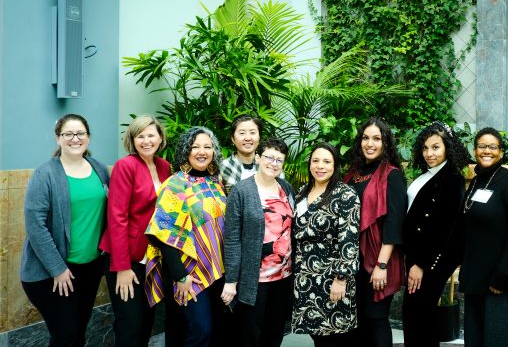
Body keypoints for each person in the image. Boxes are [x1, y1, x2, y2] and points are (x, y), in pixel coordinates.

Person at [20, 114, 110, 346]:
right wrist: (58, 269)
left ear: (88, 137)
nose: (75, 138)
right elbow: (35, 226)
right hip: (52, 271)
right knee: (66, 334)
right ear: (58, 138)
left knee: (77, 332)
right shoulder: (45, 174)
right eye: (68, 134)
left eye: (80, 133)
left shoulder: (99, 169)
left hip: (90, 268)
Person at [144, 126, 227, 347]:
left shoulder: (216, 182)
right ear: (186, 151)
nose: (202, 151)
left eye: (207, 147)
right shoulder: (175, 184)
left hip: (217, 270)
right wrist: (180, 276)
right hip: (189, 273)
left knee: (216, 331)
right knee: (200, 331)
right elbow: (164, 235)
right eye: (195, 147)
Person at [99, 116, 171, 347]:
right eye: (140, 136)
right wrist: (122, 267)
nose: (146, 141)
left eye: (151, 135)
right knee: (130, 324)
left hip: (152, 257)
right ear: (132, 140)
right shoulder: (125, 165)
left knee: (147, 321)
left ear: (160, 138)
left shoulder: (164, 166)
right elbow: (117, 217)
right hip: (126, 258)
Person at [221, 138, 296, 347]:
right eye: (269, 158)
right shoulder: (241, 191)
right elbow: (232, 239)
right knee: (250, 335)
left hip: (283, 276)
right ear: (257, 158)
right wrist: (231, 280)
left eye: (279, 160)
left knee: (275, 333)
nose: (273, 164)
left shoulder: (286, 188)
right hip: (254, 279)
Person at [402, 121, 469, 347]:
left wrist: (420, 264)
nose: (429, 153)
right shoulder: (429, 174)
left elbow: (443, 228)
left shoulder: (452, 179)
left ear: (448, 148)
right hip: (415, 258)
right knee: (417, 316)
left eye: (435, 147)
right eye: (425, 148)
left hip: (429, 262)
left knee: (419, 317)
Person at [460, 127, 508, 347]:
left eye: (492, 147)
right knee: (475, 340)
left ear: (501, 152)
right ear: (475, 150)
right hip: (475, 279)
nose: (486, 151)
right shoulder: (476, 181)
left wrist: (502, 275)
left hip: (499, 282)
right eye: (482, 146)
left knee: (499, 341)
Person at [343, 117, 406, 347]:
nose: (370, 143)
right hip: (352, 259)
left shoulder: (392, 175)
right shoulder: (352, 174)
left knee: (376, 318)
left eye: (377, 139)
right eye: (366, 138)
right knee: (357, 320)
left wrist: (381, 265)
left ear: (385, 143)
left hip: (378, 258)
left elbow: (394, 223)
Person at [291, 143, 361, 347]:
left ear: (335, 165)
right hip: (306, 277)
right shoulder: (303, 192)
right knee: (317, 336)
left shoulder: (345, 194)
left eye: (326, 161)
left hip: (332, 277)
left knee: (335, 336)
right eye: (315, 161)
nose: (320, 166)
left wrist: (341, 278)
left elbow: (349, 239)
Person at [220, 115, 262, 194]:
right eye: (242, 133)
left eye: (252, 133)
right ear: (233, 139)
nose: (248, 138)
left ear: (259, 137)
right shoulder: (224, 166)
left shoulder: (269, 164)